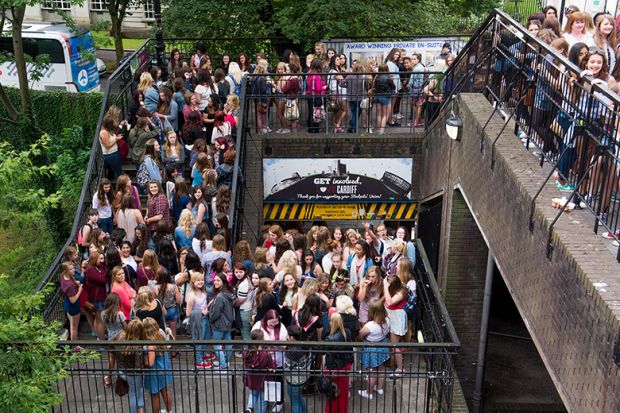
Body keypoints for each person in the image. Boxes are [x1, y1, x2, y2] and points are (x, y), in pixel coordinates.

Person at [358, 299, 390, 399]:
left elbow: (360, 335)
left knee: (372, 372)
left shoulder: (370, 325)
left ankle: (369, 392)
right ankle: (380, 388)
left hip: (372, 350)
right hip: (382, 347)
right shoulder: (387, 320)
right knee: (381, 368)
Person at [322, 312, 353, 413]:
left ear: (331, 322)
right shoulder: (347, 332)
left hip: (333, 369)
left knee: (332, 394)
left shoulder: (329, 338)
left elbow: (321, 350)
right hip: (345, 367)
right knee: (343, 394)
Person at [142, 317, 174, 413]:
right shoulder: (160, 334)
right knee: (165, 391)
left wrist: (144, 361)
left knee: (154, 395)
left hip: (155, 372)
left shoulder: (150, 343)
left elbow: (150, 363)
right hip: (163, 367)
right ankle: (169, 411)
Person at [115, 319, 146, 413]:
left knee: (138, 392)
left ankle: (141, 409)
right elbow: (138, 366)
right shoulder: (138, 346)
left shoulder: (120, 335)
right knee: (134, 395)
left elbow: (110, 344)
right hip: (133, 374)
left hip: (121, 371)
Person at [186, 271, 214, 367]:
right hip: (198, 320)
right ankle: (198, 361)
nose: (200, 282)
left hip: (205, 318)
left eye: (202, 280)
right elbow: (188, 313)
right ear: (193, 282)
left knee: (206, 337)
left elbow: (204, 305)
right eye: (197, 280)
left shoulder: (203, 291)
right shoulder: (191, 295)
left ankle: (202, 354)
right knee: (199, 340)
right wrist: (201, 312)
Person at [243, 330, 274, 413]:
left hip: (252, 379)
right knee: (262, 401)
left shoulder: (246, 352)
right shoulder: (266, 354)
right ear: (262, 339)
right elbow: (271, 368)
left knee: (253, 395)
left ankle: (249, 409)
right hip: (263, 381)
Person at [383, 275, 408, 376]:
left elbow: (389, 302)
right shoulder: (393, 290)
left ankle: (400, 369)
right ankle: (395, 364)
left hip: (397, 318)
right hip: (391, 317)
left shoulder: (401, 292)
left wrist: (385, 286)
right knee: (392, 344)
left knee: (394, 346)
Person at [210, 273, 236, 369]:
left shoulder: (220, 296)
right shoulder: (229, 293)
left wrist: (211, 319)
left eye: (218, 280)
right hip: (229, 322)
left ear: (223, 282)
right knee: (228, 342)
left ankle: (222, 365)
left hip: (220, 323)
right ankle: (226, 361)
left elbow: (216, 312)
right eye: (214, 280)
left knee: (216, 344)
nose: (215, 282)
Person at [284, 325, 311, 413]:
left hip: (294, 381)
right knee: (299, 398)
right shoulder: (306, 344)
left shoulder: (293, 351)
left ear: (291, 337)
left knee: (295, 402)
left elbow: (287, 366)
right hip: (303, 378)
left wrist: (287, 347)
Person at [59, 261, 83, 346]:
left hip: (67, 304)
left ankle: (75, 343)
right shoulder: (69, 286)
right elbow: (73, 300)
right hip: (73, 307)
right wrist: (80, 290)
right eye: (71, 269)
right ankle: (75, 347)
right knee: (74, 328)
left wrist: (75, 282)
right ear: (66, 271)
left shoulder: (62, 277)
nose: (73, 270)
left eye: (73, 268)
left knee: (72, 326)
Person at [84, 250, 107, 340]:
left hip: (99, 296)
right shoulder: (91, 270)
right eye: (99, 259)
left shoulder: (97, 267)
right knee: (100, 320)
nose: (101, 261)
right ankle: (101, 341)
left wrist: (102, 269)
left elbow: (103, 270)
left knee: (98, 319)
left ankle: (99, 336)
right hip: (97, 297)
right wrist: (103, 271)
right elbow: (102, 279)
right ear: (94, 260)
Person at [155, 266, 182, 340]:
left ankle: (164, 351)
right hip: (172, 310)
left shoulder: (156, 287)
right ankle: (173, 351)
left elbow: (154, 300)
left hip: (161, 311)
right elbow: (178, 301)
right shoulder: (174, 287)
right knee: (173, 333)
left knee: (162, 332)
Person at [373, 63, 396, 135]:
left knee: (379, 114)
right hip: (386, 97)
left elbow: (374, 86)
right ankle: (381, 131)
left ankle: (378, 129)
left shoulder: (376, 77)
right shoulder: (389, 78)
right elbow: (393, 87)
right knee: (385, 115)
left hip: (377, 96)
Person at [99, 115, 122, 179]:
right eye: (112, 123)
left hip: (115, 153)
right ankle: (120, 187)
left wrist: (116, 138)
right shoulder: (104, 133)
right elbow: (107, 145)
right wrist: (116, 139)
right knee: (118, 173)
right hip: (111, 155)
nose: (114, 124)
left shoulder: (109, 130)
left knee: (119, 171)